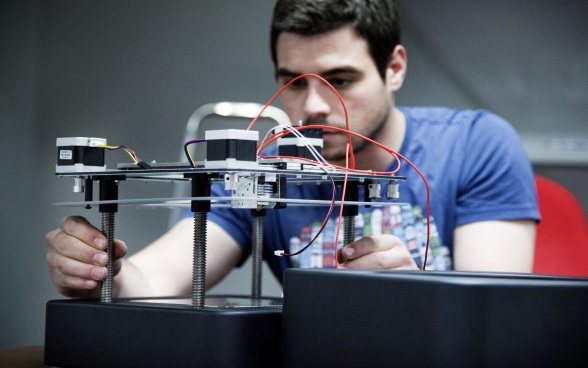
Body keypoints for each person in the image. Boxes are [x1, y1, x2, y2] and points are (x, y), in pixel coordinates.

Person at [45, 0, 540, 298]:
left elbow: (488, 318)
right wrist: (95, 268)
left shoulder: (477, 145)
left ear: (395, 68)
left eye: (341, 79)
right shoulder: (259, 173)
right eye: (294, 83)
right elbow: (149, 281)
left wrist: (415, 295)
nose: (315, 106)